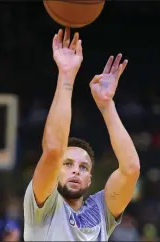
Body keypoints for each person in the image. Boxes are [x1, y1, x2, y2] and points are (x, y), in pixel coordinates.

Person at [23, 28, 140, 241]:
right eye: (67, 164)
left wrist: (106, 105)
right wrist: (66, 77)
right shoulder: (42, 205)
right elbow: (53, 151)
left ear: (89, 180)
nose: (76, 171)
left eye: (83, 167)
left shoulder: (101, 211)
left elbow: (131, 169)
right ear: (54, 172)